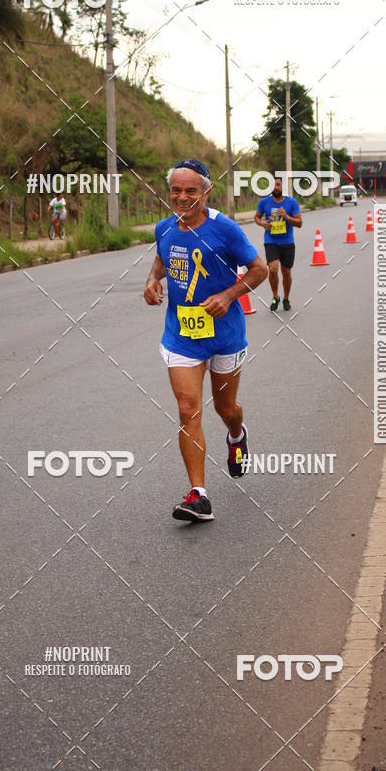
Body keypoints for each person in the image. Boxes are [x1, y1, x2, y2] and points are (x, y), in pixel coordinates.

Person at [144, 158, 267, 523]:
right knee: (187, 408)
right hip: (182, 337)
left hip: (225, 336)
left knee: (225, 409)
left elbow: (260, 269)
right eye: (176, 191)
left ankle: (236, 435)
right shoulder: (165, 228)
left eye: (191, 191)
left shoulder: (225, 229)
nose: (183, 197)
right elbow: (161, 260)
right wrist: (152, 282)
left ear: (206, 192)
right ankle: (198, 495)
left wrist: (228, 296)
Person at [254, 175, 302, 312]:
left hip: (287, 241)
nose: (276, 187)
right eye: (273, 185)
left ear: (283, 187)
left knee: (286, 272)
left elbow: (299, 223)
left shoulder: (291, 203)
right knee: (273, 269)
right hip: (271, 241)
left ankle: (286, 298)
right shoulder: (264, 202)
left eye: (278, 185)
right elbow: (256, 217)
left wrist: (286, 216)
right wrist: (262, 223)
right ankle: (275, 297)